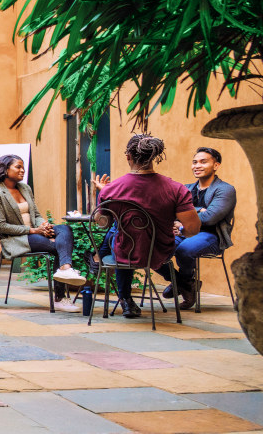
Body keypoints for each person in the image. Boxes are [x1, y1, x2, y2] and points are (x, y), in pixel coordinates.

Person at [92, 134, 201, 318]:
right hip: (161, 250)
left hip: (125, 252)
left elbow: (103, 224)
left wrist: (102, 201)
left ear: (128, 156)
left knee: (118, 238)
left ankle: (125, 300)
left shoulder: (112, 189)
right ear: (154, 157)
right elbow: (192, 230)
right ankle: (182, 282)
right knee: (142, 244)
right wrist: (178, 228)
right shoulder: (176, 189)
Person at [0, 154, 85, 312]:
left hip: (36, 233)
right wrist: (33, 230)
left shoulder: (25, 188)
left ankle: (65, 269)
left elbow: (36, 216)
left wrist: (44, 226)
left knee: (65, 229)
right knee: (58, 246)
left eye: (23, 167)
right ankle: (60, 297)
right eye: (18, 167)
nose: (22, 170)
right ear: (5, 170)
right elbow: (1, 226)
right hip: (15, 239)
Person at [158, 147, 237, 308]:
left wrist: (183, 220)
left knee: (185, 249)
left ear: (216, 165)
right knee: (153, 248)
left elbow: (210, 218)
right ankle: (183, 283)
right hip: (182, 232)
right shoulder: (186, 188)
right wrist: (196, 211)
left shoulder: (225, 189)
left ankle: (184, 280)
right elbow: (170, 211)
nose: (197, 166)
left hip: (211, 236)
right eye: (195, 162)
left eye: (203, 162)